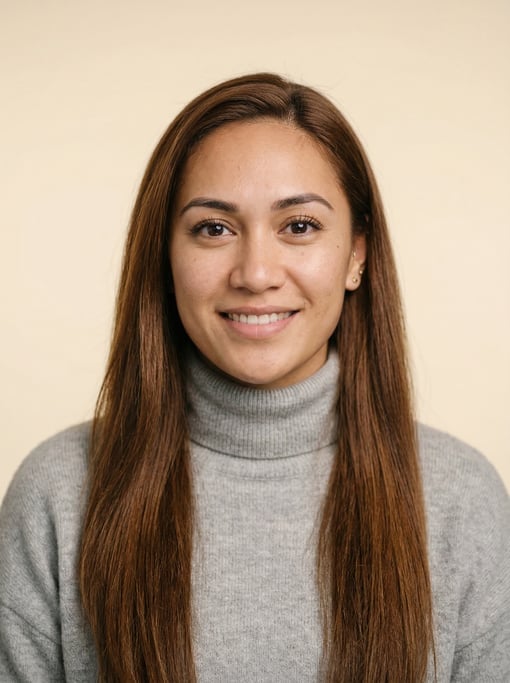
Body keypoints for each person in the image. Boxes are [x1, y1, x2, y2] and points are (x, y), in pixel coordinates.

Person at [0, 73, 508, 683]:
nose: (257, 273)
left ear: (356, 256)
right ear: (164, 256)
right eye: (214, 229)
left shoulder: (460, 499)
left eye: (298, 226)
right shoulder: (59, 492)